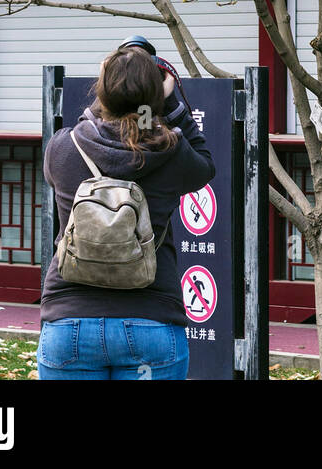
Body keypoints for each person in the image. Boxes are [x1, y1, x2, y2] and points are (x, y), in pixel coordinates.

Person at [37, 38, 214, 380]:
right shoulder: (171, 152)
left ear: (101, 92)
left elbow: (90, 129)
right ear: (155, 94)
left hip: (69, 323)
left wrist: (110, 94)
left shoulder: (63, 147)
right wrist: (169, 103)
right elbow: (205, 165)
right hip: (151, 322)